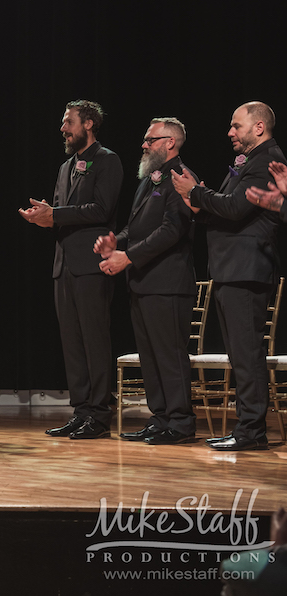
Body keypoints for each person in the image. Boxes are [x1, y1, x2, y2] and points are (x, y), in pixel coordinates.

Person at [171, 101, 285, 451]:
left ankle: (252, 431)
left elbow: (235, 209)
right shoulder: (251, 161)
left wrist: (197, 194)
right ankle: (247, 427)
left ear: (259, 128)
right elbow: (230, 208)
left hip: (246, 269)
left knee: (247, 354)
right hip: (233, 268)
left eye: (237, 126)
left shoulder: (267, 160)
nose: (230, 132)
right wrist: (201, 205)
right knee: (240, 353)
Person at [19, 100, 123, 439]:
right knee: (72, 343)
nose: (63, 129)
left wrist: (56, 214)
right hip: (63, 265)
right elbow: (61, 212)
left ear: (89, 124)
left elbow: (102, 209)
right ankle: (81, 411)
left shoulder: (107, 160)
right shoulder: (65, 167)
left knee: (95, 341)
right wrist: (44, 218)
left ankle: (100, 415)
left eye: (69, 122)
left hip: (92, 266)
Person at [93, 118, 197, 445]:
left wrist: (128, 257)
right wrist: (116, 242)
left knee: (169, 355)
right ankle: (161, 418)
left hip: (168, 283)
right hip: (144, 283)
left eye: (150, 139)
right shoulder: (150, 180)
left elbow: (171, 231)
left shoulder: (182, 178)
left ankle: (180, 423)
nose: (144, 144)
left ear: (170, 143)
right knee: (150, 356)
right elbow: (135, 227)